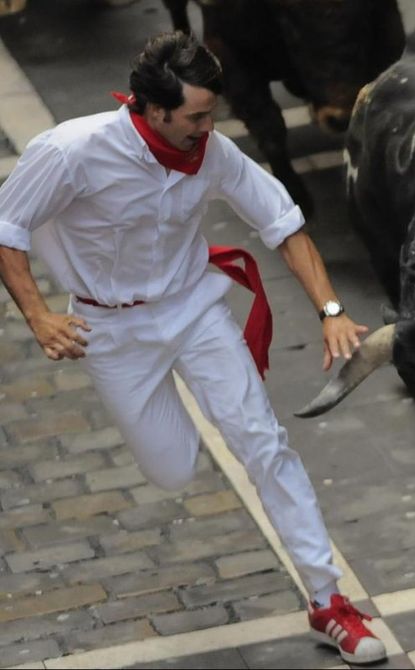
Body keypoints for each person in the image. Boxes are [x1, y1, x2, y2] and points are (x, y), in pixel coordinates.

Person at [0, 31, 386, 665]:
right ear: (154, 111)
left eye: (213, 112)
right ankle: (177, 418)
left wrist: (332, 311)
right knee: (172, 468)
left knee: (262, 441)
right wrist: (40, 316)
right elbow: (9, 228)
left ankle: (328, 602)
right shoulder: (72, 151)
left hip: (192, 308)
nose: (211, 126)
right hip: (110, 330)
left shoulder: (212, 151)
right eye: (197, 116)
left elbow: (282, 221)